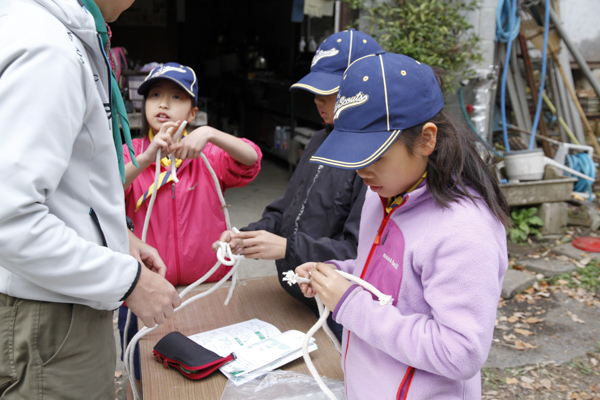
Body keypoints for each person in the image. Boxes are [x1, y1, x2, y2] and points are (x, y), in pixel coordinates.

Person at [296, 53, 510, 399]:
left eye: (375, 155)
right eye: (354, 155)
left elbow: (460, 352)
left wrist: (349, 303)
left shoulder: (465, 230)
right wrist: (338, 275)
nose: (362, 171)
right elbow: (392, 284)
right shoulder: (383, 192)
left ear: (427, 139)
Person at [0, 1, 181, 399]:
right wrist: (129, 282)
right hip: (51, 317)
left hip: (56, 301)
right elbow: (8, 219)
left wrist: (118, 239)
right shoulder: (48, 48)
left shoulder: (57, 34)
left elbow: (67, 185)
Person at [213, 29, 383, 341]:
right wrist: (250, 234)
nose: (318, 100)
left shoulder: (375, 161)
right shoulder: (320, 139)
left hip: (339, 309)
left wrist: (287, 248)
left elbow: (360, 251)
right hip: (300, 296)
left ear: (363, 88)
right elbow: (287, 208)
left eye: (330, 92)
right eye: (316, 91)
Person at [119, 62, 261, 396]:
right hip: (146, 292)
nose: (163, 104)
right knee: (147, 375)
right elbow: (103, 190)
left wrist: (210, 134)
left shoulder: (210, 156)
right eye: (155, 95)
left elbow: (251, 158)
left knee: (208, 375)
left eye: (176, 97)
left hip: (206, 288)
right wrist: (148, 157)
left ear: (193, 112)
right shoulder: (132, 154)